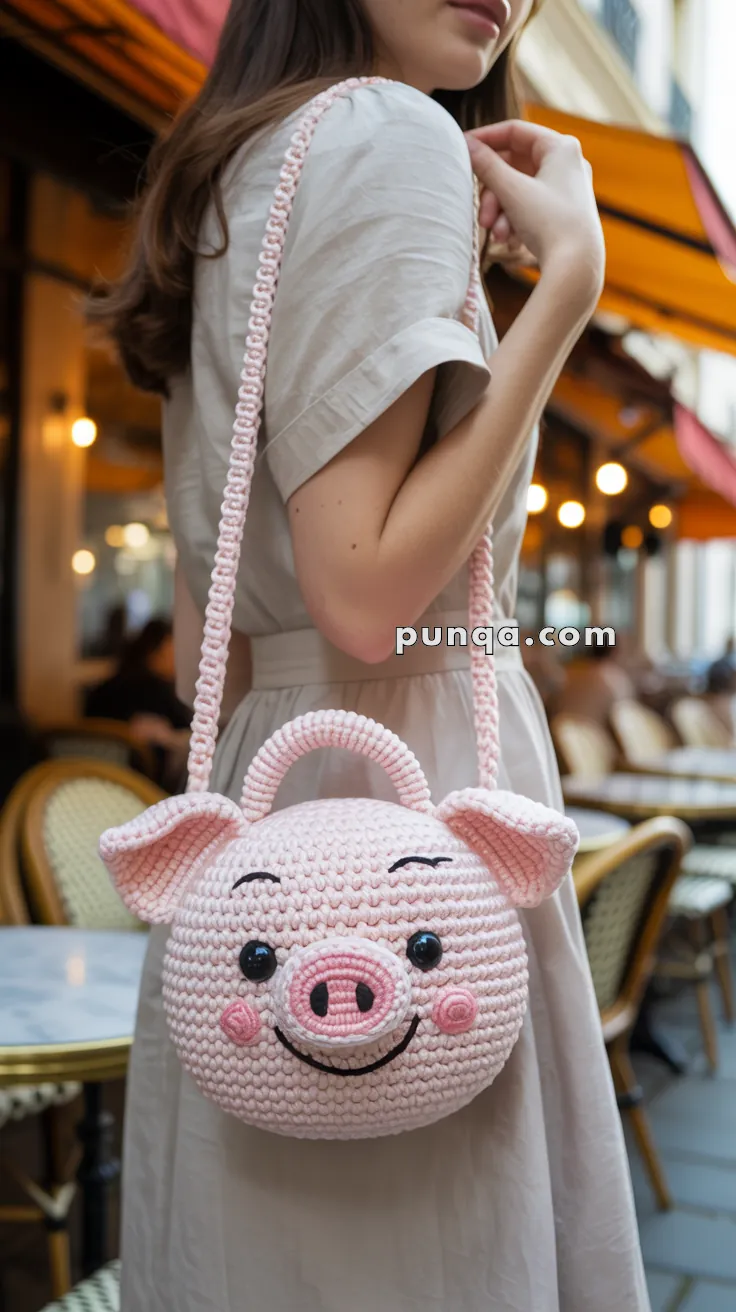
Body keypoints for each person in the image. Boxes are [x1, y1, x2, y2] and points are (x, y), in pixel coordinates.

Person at [92, 2, 648, 1308]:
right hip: (412, 799)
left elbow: (205, 657)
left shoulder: (241, 165)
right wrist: (563, 293)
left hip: (264, 805)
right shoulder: (394, 133)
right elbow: (363, 593)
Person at [84, 618, 190, 785]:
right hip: (144, 788)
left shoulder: (103, 688)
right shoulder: (158, 691)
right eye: (175, 652)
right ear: (158, 651)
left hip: (94, 784)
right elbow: (191, 735)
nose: (179, 661)